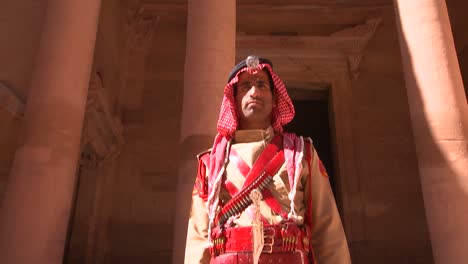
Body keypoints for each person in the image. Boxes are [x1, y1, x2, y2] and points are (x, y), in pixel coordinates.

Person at [185, 55, 351, 264]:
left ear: (275, 99)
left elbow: (327, 230)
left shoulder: (300, 153)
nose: (254, 92)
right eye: (245, 86)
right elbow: (198, 238)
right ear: (234, 101)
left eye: (261, 84)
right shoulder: (211, 164)